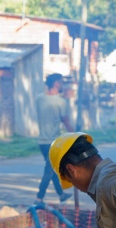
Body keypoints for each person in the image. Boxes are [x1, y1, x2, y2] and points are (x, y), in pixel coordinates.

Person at [36, 73, 73, 203]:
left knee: (52, 168)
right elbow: (66, 121)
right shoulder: (61, 102)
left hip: (41, 141)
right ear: (56, 83)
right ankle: (39, 197)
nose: (62, 85)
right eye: (61, 82)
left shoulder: (39, 99)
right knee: (49, 169)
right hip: (53, 141)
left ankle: (61, 194)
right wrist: (76, 136)